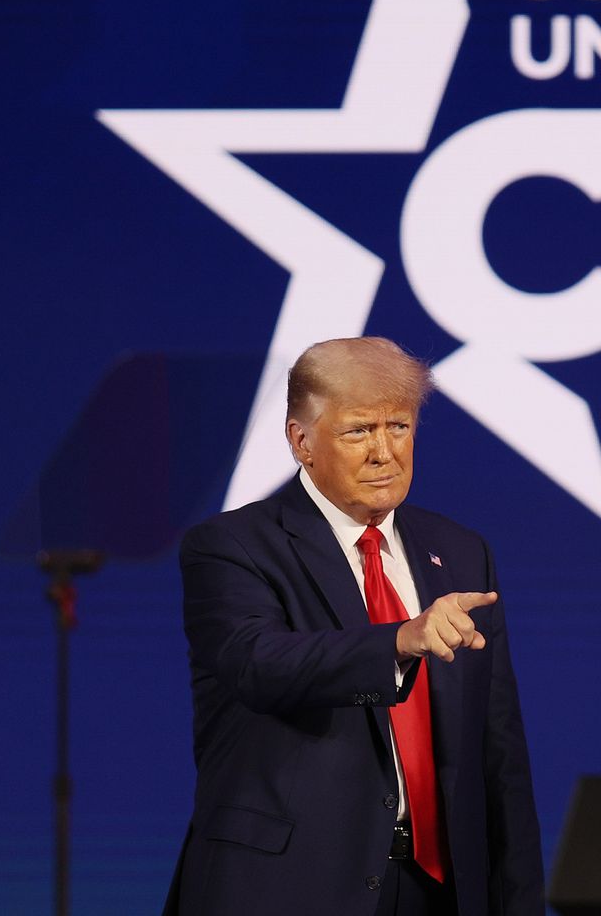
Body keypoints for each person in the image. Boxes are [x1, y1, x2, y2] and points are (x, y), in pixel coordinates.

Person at [163, 337, 543, 916]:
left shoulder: (461, 553)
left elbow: (499, 754)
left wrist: (516, 901)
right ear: (301, 441)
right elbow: (259, 665)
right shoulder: (232, 546)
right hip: (288, 889)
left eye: (399, 426)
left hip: (436, 891)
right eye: (359, 431)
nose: (384, 452)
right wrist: (398, 640)